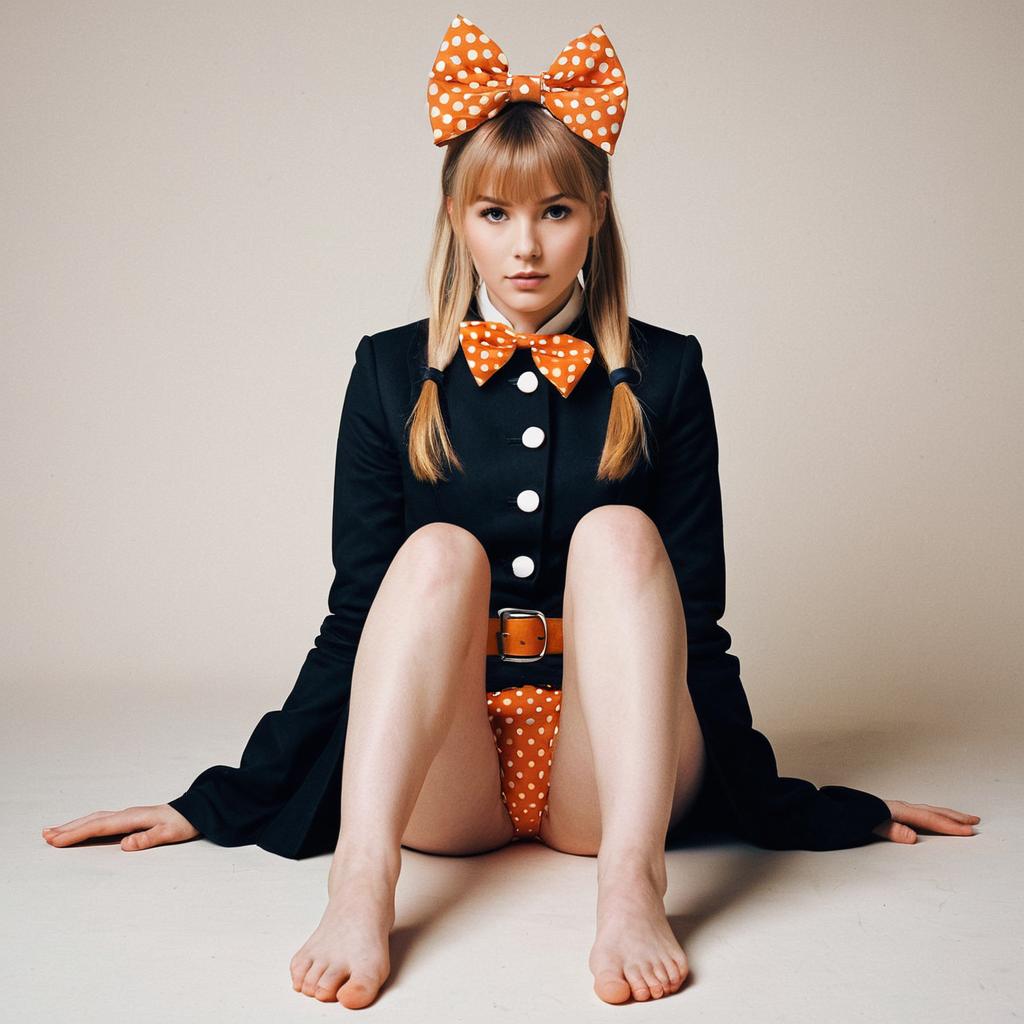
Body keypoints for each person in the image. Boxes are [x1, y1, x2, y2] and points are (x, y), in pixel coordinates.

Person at [41, 13, 980, 1011]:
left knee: (618, 533)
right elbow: (356, 622)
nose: (525, 246)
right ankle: (361, 882)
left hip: (610, 767)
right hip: (454, 778)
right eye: (494, 213)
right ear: (454, 215)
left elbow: (696, 628)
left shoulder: (667, 372)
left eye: (556, 211)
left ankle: (631, 885)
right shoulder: (390, 370)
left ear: (598, 212)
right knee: (435, 550)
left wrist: (794, 804)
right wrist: (216, 799)